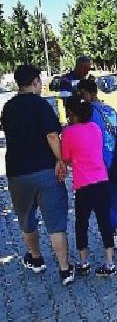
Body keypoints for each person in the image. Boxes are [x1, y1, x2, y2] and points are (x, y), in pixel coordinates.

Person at [0, 65, 75, 285]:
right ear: (34, 82)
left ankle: (36, 259)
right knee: (55, 222)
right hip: (45, 171)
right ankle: (64, 270)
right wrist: (61, 160)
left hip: (17, 173)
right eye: (40, 81)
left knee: (27, 218)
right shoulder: (41, 105)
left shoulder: (8, 108)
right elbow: (52, 136)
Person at [61, 96, 116, 277]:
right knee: (104, 221)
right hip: (102, 181)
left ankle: (84, 263)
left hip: (84, 185)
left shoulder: (68, 132)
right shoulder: (95, 128)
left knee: (81, 223)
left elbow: (66, 158)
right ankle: (110, 263)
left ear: (71, 112)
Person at [77, 79, 117, 229]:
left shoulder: (88, 112)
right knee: (114, 199)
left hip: (100, 163)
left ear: (91, 93)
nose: (82, 97)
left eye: (83, 94)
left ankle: (115, 232)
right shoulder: (109, 109)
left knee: (102, 202)